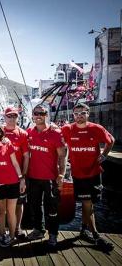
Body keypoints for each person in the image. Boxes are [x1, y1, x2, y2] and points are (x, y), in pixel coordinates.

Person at [61, 102, 115, 251]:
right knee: (86, 203)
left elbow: (111, 141)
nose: (79, 116)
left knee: (89, 203)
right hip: (78, 174)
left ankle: (84, 230)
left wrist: (104, 155)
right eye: (76, 114)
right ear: (73, 115)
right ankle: (96, 236)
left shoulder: (96, 129)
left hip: (94, 173)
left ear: (88, 114)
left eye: (82, 113)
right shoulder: (67, 129)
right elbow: (56, 139)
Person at [26, 104, 67, 247]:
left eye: (42, 113)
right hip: (33, 177)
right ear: (32, 115)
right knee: (35, 206)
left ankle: (53, 234)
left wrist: (62, 175)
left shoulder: (56, 133)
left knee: (52, 208)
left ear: (46, 115)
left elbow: (63, 155)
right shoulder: (30, 132)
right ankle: (38, 229)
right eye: (36, 113)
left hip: (50, 178)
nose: (38, 116)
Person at [3, 107, 29, 239]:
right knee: (1, 205)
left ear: (18, 118)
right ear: (4, 117)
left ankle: (17, 228)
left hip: (17, 176)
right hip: (1, 176)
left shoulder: (22, 133)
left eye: (14, 116)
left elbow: (26, 156)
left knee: (19, 203)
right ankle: (2, 230)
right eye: (9, 116)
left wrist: (23, 176)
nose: (12, 118)